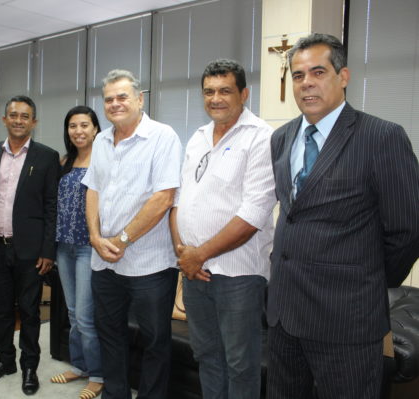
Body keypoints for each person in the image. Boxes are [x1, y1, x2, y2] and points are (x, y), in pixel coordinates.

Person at [267, 33, 419, 398]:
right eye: (299, 75)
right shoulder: (282, 138)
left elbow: (408, 230)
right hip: (285, 315)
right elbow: (294, 213)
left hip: (346, 319)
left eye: (318, 72)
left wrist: (366, 281)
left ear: (343, 76)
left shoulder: (382, 136)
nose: (307, 83)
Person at [169, 59, 275, 399]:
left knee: (241, 363)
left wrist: (197, 255)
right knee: (207, 356)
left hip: (238, 275)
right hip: (196, 271)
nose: (216, 98)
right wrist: (183, 253)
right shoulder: (198, 137)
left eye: (225, 91)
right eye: (209, 92)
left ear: (243, 94)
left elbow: (253, 213)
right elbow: (180, 199)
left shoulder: (261, 137)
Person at [82, 69, 182, 399]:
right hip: (104, 263)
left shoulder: (163, 137)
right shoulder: (100, 140)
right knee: (110, 335)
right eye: (109, 99)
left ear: (140, 99)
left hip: (150, 265)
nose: (115, 104)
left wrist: (122, 240)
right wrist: (96, 237)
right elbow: (93, 190)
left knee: (155, 341)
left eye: (122, 97)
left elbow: (163, 197)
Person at [0, 95, 60, 395]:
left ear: (33, 122)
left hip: (31, 252)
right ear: (4, 119)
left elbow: (51, 207)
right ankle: (4, 359)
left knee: (30, 311)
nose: (18, 120)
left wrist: (48, 251)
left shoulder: (47, 157)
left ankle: (29, 365)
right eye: (13, 115)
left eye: (25, 116)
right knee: (2, 309)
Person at [49, 106, 104, 399]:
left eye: (84, 125)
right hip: (63, 246)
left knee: (85, 316)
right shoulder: (65, 161)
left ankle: (97, 375)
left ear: (95, 128)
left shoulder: (104, 160)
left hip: (87, 247)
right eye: (73, 126)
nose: (78, 131)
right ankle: (79, 366)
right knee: (71, 313)